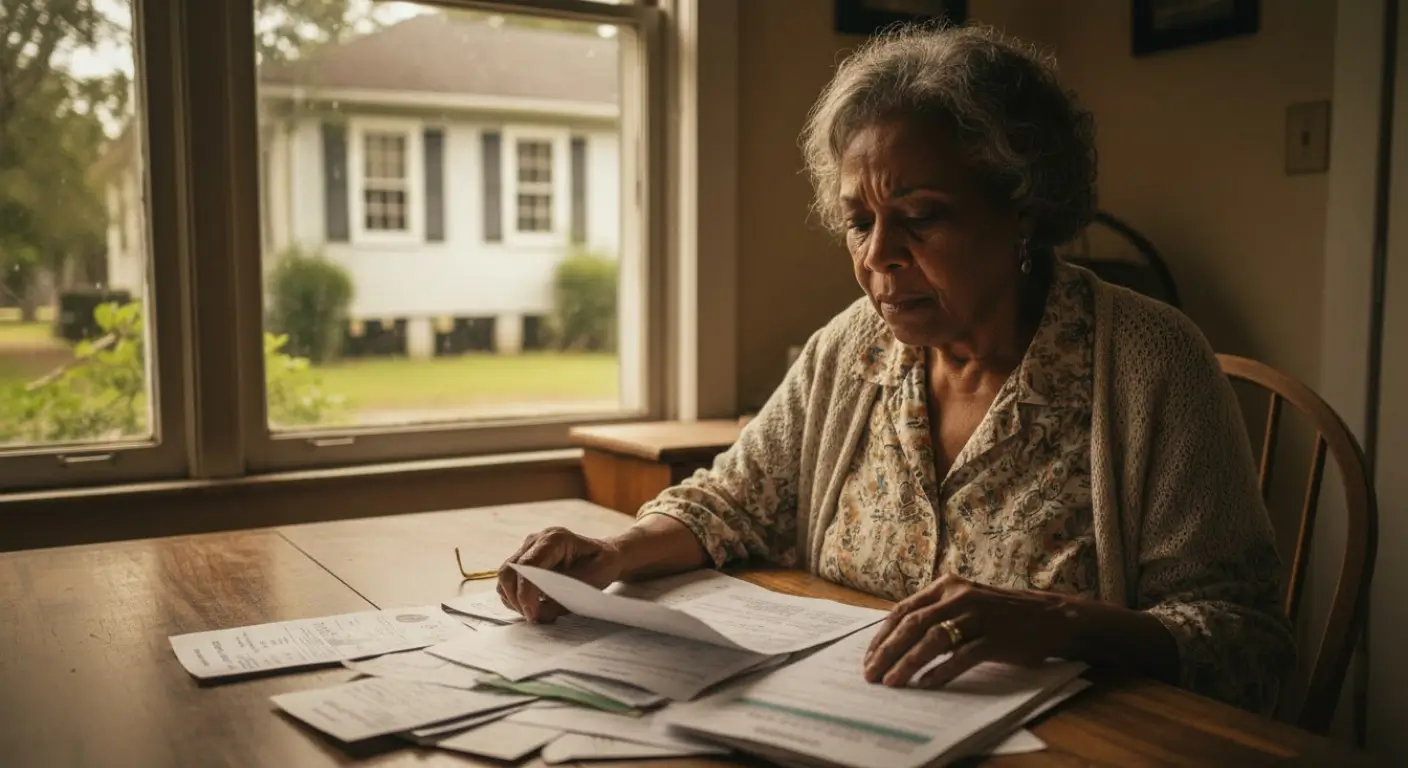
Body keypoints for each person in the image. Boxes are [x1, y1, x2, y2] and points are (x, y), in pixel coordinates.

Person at [496, 23, 1294, 714]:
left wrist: (1059, 622)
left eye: (919, 218)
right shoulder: (851, 349)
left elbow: (1248, 643)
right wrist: (616, 554)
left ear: (1022, 206)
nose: (878, 257)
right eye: (858, 221)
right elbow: (733, 500)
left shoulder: (1151, 364)